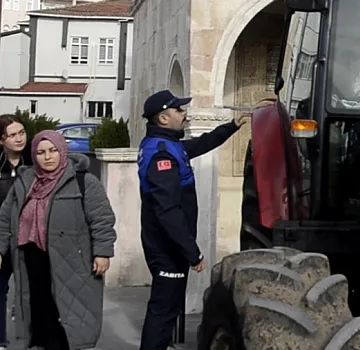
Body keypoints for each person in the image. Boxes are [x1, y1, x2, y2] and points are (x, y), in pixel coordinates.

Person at [138, 90, 251, 350]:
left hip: (171, 246)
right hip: (167, 248)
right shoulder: (161, 155)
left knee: (167, 309)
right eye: (178, 110)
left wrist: (232, 126)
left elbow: (200, 144)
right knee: (163, 311)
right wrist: (192, 252)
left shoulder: (169, 145)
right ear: (163, 118)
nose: (184, 113)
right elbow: (168, 211)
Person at [0, 130, 116, 350]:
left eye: (53, 150)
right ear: (34, 155)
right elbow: (5, 219)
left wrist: (103, 252)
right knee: (39, 311)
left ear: (62, 151)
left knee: (67, 312)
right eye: (42, 152)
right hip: (32, 258)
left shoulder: (83, 181)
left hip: (72, 258)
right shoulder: (25, 182)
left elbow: (102, 219)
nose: (48, 157)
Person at [0, 114, 31, 350]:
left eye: (22, 133)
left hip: (29, 238)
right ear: (2, 140)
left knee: (32, 290)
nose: (19, 138)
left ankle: (33, 338)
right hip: (2, 238)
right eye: (13, 135)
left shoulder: (35, 162)